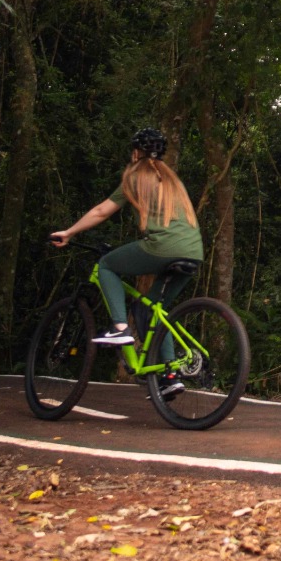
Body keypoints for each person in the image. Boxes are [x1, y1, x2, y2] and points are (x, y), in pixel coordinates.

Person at [50, 128, 204, 398]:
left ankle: (120, 328)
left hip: (162, 247)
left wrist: (69, 232)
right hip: (193, 251)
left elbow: (101, 211)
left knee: (107, 265)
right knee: (153, 309)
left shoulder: (135, 177)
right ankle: (169, 375)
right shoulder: (172, 180)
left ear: (136, 152)